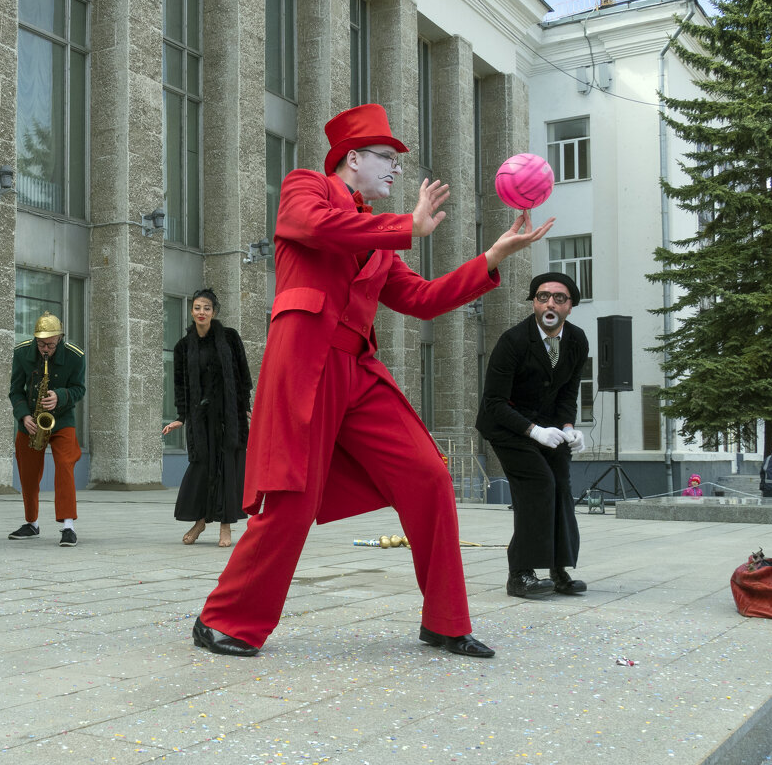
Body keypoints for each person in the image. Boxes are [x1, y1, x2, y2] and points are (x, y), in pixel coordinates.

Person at [191, 103, 553, 659]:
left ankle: (445, 620)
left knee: (429, 475)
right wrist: (404, 226)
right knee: (290, 501)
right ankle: (225, 620)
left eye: (397, 160)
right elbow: (316, 226)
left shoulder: (380, 239)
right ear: (351, 158)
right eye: (386, 157)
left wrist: (493, 256)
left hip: (357, 370)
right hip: (306, 364)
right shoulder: (305, 185)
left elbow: (423, 300)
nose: (396, 168)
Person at [476, 272, 589, 600]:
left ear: (570, 307)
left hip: (550, 427)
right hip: (507, 426)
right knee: (539, 483)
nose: (550, 303)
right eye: (542, 297)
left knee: (561, 486)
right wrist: (533, 431)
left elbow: (568, 392)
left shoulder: (577, 340)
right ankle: (520, 573)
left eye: (559, 298)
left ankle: (558, 569)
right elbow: (494, 403)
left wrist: (569, 428)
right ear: (534, 303)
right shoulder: (513, 341)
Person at [162, 289, 253, 548]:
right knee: (201, 468)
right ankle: (201, 521)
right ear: (192, 311)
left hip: (229, 416)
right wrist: (181, 416)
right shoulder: (183, 347)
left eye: (207, 308)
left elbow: (243, 375)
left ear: (214, 312)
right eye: (197, 307)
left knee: (228, 468)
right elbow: (180, 385)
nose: (201, 312)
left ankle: (226, 527)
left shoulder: (229, 338)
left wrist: (245, 406)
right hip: (201, 419)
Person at [8, 312, 85, 547]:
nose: (45, 349)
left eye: (51, 344)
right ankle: (32, 523)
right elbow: (15, 390)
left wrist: (60, 396)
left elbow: (79, 389)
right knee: (28, 472)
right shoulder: (22, 353)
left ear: (60, 338)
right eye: (41, 344)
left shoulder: (75, 356)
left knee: (64, 466)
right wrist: (23, 416)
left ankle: (68, 526)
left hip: (61, 420)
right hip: (31, 420)